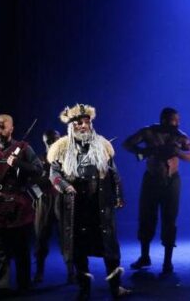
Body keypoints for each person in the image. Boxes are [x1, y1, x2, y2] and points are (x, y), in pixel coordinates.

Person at [48, 104, 130, 299]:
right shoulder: (61, 148)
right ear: (71, 126)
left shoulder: (103, 145)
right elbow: (54, 174)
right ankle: (84, 289)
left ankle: (115, 287)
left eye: (86, 122)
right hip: (76, 207)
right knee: (79, 249)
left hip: (99, 205)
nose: (83, 126)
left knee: (110, 248)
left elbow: (114, 173)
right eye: (79, 123)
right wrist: (65, 186)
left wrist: (118, 195)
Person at [0, 114, 42, 298]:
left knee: (21, 251)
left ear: (11, 128)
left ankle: (24, 285)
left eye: (3, 127)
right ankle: (1, 287)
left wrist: (19, 163)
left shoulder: (24, 148)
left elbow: (38, 170)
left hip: (20, 209)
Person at [123, 107, 190, 274]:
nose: (177, 123)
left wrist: (177, 152)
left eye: (178, 120)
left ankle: (167, 262)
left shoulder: (180, 136)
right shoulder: (148, 132)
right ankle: (144, 257)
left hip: (172, 181)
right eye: (174, 120)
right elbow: (127, 144)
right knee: (146, 218)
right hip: (151, 180)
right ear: (164, 120)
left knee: (170, 220)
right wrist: (143, 151)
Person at [33, 129, 75, 284]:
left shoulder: (67, 159)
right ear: (44, 143)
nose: (52, 143)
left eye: (55, 140)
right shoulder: (38, 161)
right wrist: (39, 195)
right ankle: (39, 272)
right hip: (45, 203)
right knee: (41, 237)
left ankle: (71, 272)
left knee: (67, 237)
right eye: (48, 141)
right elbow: (31, 183)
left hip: (63, 201)